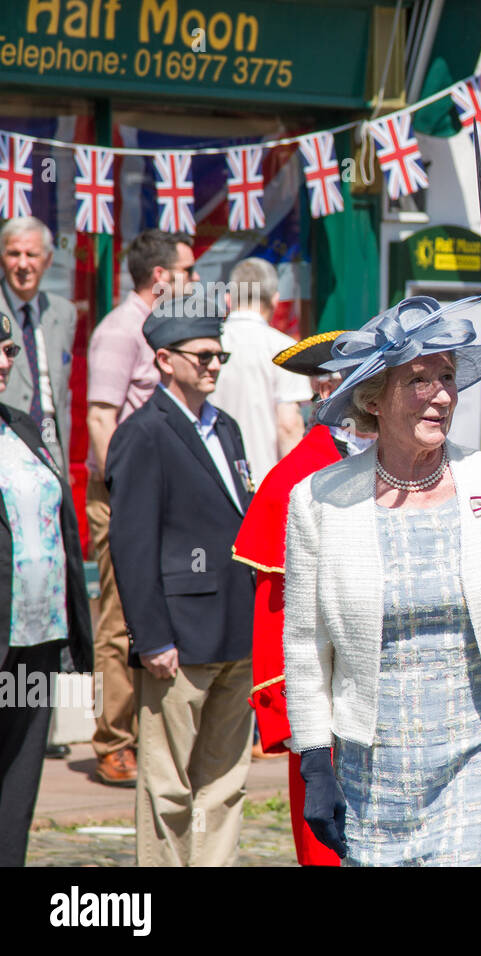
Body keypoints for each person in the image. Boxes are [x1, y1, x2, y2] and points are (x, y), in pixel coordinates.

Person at [282, 297, 481, 867]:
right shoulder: (319, 499)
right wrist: (312, 758)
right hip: (369, 765)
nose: (442, 395)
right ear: (374, 398)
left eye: (447, 377)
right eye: (418, 379)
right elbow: (305, 644)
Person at [107, 307, 256, 866]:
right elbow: (133, 545)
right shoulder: (143, 434)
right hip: (179, 638)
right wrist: (151, 638)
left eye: (220, 355)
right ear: (165, 361)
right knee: (168, 786)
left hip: (234, 631)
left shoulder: (228, 426)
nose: (215, 365)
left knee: (226, 783)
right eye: (204, 356)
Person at [232, 329, 356, 868]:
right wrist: (293, 729)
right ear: (329, 393)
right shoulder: (293, 482)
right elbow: (274, 617)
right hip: (327, 712)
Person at [85, 229, 196, 787]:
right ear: (161, 278)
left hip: (162, 496)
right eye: (189, 271)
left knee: (157, 607)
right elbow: (100, 418)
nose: (198, 282)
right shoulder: (119, 330)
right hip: (122, 496)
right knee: (117, 620)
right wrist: (127, 492)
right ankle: (113, 740)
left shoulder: (164, 331)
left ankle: (150, 732)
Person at [0, 312, 92, 866]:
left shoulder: (22, 427)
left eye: (9, 349)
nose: (5, 360)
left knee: (16, 787)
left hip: (35, 637)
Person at [211, 257, 312, 486]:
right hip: (264, 484)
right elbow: (289, 425)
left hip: (210, 481)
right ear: (275, 300)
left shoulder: (207, 344)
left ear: (228, 299)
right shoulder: (284, 349)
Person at [0, 217, 78, 468]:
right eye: (14, 253)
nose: (23, 264)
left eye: (31, 254)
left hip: (50, 447)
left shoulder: (63, 313)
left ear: (48, 260)